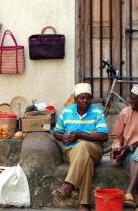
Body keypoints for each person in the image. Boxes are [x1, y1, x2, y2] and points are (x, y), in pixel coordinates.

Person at [52, 83, 109, 211]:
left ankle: (68, 185)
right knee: (86, 161)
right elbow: (57, 132)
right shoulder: (66, 112)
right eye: (82, 98)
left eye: (88, 98)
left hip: (94, 150)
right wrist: (63, 137)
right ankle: (84, 204)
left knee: (83, 145)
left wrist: (80, 136)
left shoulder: (96, 111)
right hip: (71, 151)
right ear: (75, 98)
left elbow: (104, 136)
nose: (85, 101)